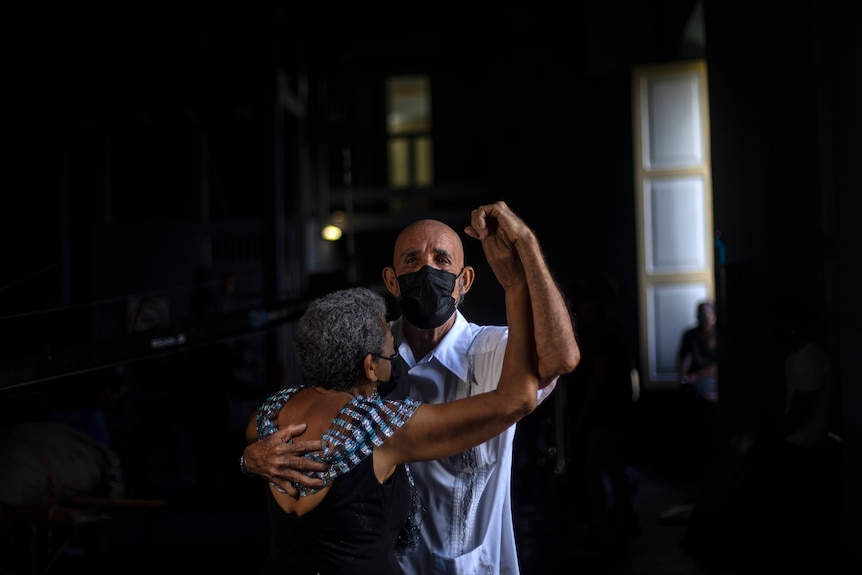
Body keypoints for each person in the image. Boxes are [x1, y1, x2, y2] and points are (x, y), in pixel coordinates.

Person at [241, 201, 580, 574]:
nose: (427, 270)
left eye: (441, 259)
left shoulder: (496, 351)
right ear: (391, 280)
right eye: (413, 260)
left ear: (464, 280)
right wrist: (252, 458)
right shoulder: (368, 352)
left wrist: (527, 249)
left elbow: (561, 359)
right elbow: (315, 409)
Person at [251, 285, 540, 574]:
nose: (397, 360)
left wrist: (248, 460)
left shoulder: (271, 415)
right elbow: (518, 400)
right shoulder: (382, 430)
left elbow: (248, 441)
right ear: (370, 368)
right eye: (391, 353)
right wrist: (514, 288)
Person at [564, 275, 639, 559]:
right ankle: (619, 527)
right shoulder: (612, 326)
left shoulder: (604, 330)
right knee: (615, 472)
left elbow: (598, 376)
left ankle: (605, 534)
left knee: (594, 473)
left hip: (608, 414)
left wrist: (582, 415)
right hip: (616, 412)